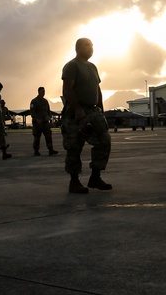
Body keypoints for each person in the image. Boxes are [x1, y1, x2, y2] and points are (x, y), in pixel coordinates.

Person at [61, 38, 112, 193]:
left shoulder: (92, 67)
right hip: (76, 112)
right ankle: (74, 182)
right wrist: (77, 108)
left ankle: (95, 177)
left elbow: (97, 89)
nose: (90, 48)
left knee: (104, 140)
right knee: (74, 146)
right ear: (77, 48)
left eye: (91, 45)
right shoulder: (72, 66)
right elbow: (67, 89)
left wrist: (101, 108)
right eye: (86, 45)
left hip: (93, 110)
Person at [30, 86, 58, 156]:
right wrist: (36, 119)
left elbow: (48, 111)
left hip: (45, 122)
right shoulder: (34, 101)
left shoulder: (45, 101)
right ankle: (36, 150)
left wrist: (49, 118)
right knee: (37, 137)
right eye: (42, 91)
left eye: (44, 91)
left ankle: (50, 149)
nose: (43, 93)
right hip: (38, 123)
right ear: (38, 92)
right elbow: (32, 112)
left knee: (48, 136)